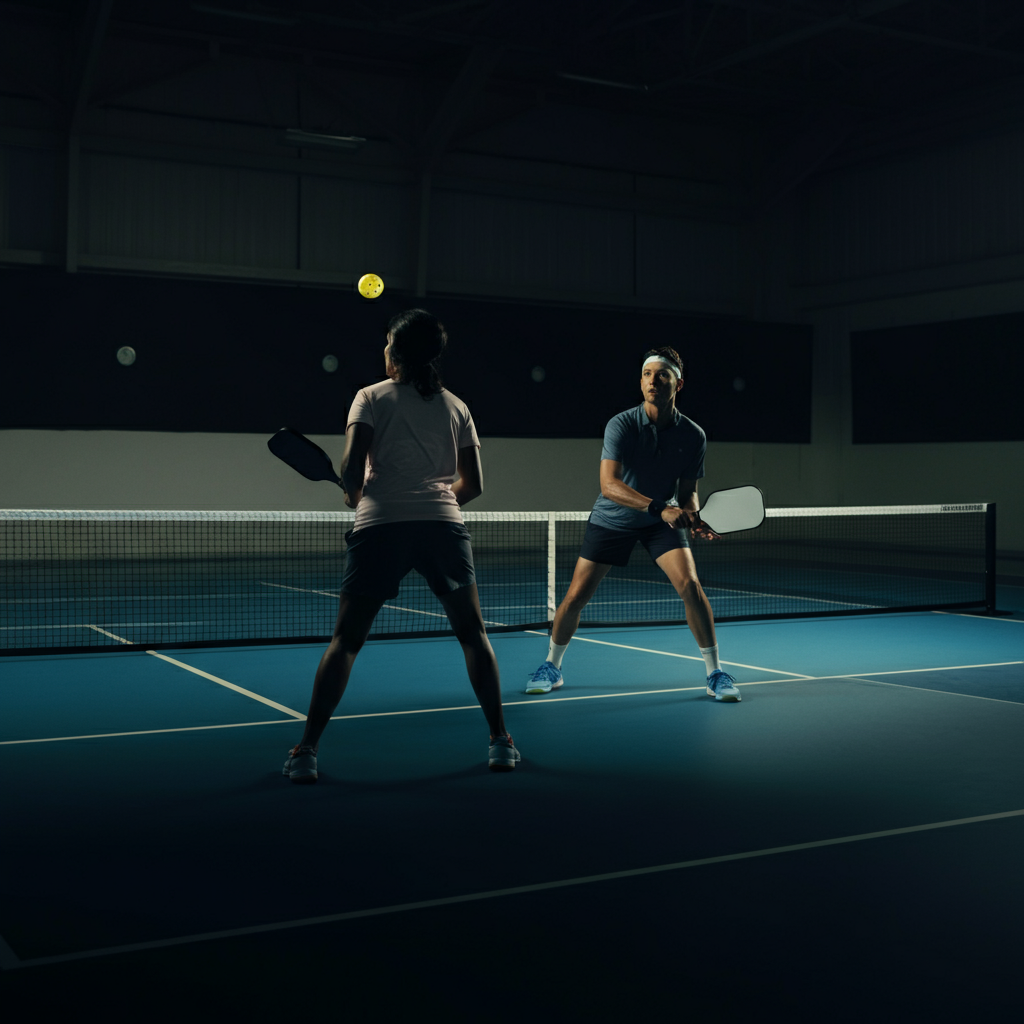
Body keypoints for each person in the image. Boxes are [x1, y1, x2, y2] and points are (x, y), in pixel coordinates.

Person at [283, 309, 519, 783]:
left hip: (380, 526)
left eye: (388, 343)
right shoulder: (457, 406)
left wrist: (355, 492)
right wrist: (431, 500)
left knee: (346, 642)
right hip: (442, 527)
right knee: (474, 635)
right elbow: (471, 484)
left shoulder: (369, 397)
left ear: (397, 350)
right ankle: (500, 741)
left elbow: (351, 472)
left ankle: (306, 749)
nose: (384, 351)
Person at [524, 346, 741, 702]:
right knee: (577, 595)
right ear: (640, 382)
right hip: (614, 520)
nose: (652, 381)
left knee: (691, 586)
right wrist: (661, 508)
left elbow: (688, 492)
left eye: (662, 375)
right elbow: (609, 485)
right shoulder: (621, 424)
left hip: (661, 523)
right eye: (646, 374)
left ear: (678, 383)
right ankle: (552, 665)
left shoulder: (694, 436)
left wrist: (694, 517)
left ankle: (715, 672)